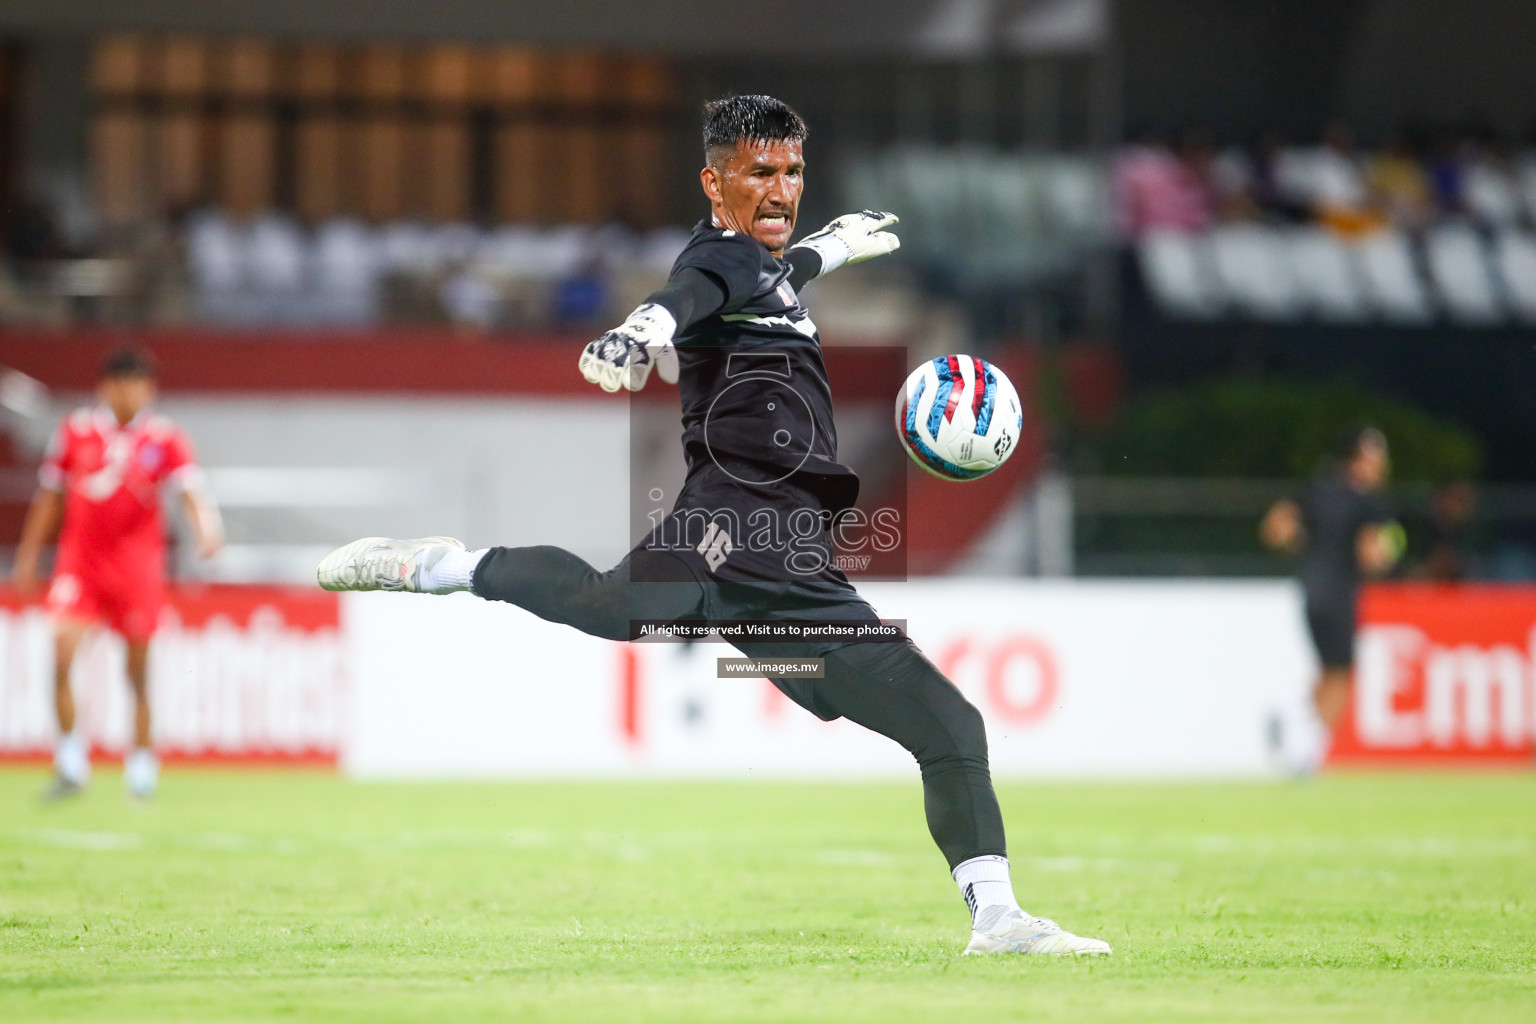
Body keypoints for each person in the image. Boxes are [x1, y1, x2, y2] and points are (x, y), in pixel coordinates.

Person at [317, 95, 1110, 957]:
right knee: (618, 607)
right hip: (731, 527)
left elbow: (774, 275)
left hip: (792, 564)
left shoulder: (763, 265)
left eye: (792, 171)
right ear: (713, 181)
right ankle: (437, 566)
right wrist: (637, 331)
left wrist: (832, 245)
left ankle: (997, 921)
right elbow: (690, 293)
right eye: (759, 172)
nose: (780, 189)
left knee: (946, 727)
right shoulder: (719, 257)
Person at [12, 348, 224, 799]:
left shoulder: (164, 438)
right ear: (104, 386)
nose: (131, 391)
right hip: (81, 564)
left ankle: (142, 768)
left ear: (151, 388)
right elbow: (49, 496)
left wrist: (207, 528)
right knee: (63, 652)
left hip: (138, 569)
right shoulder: (75, 431)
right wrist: (29, 556)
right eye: (122, 381)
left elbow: (190, 489)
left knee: (138, 670)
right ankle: (71, 762)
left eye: (139, 382)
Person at [1260, 426, 1403, 773]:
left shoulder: (1316, 489)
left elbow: (1274, 527)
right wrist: (1388, 557)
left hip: (1310, 590)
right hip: (1340, 592)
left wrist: (1297, 544)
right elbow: (1370, 555)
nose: (1380, 465)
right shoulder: (1369, 501)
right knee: (1341, 676)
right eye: (1375, 457)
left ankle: (1290, 717)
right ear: (1358, 460)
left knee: (1328, 671)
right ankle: (1307, 751)